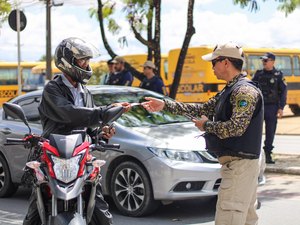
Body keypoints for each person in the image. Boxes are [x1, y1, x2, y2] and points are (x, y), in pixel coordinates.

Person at [141, 42, 264, 225]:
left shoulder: (243, 91)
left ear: (225, 63)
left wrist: (207, 126)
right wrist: (165, 105)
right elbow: (202, 109)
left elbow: (236, 127)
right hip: (239, 164)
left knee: (228, 218)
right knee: (244, 219)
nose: (212, 67)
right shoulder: (231, 89)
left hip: (240, 165)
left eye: (213, 62)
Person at [23, 37, 130, 225]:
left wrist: (101, 132)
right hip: (54, 155)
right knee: (34, 211)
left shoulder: (85, 93)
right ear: (68, 61)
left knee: (101, 210)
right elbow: (69, 114)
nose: (87, 64)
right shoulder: (52, 89)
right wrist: (103, 113)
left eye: (87, 60)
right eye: (82, 60)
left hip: (79, 157)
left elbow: (87, 127)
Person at [252, 52, 287, 164]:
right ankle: (254, 154)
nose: (264, 62)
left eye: (266, 60)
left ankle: (268, 154)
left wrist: (281, 107)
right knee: (255, 130)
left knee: (270, 131)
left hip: (272, 107)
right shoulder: (258, 74)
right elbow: (251, 88)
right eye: (263, 60)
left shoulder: (278, 75)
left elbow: (283, 92)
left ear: (272, 61)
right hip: (260, 107)